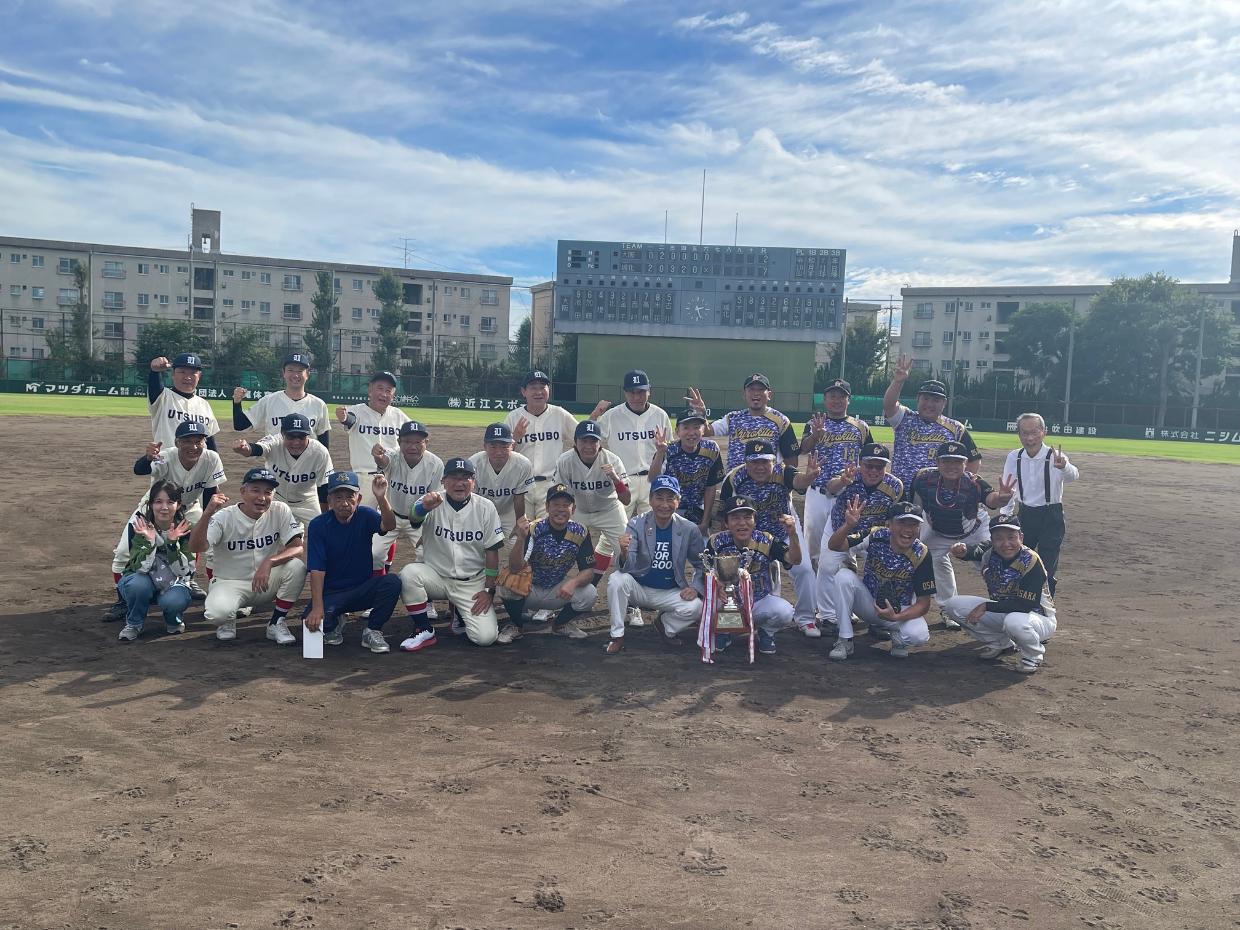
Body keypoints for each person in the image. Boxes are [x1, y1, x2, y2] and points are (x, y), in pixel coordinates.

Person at [397, 457, 506, 651]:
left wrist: (489, 590)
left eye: (465, 478)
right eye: (454, 478)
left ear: (473, 482)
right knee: (408, 575)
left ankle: (458, 610)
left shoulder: (485, 507)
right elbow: (413, 518)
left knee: (485, 638)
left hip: (471, 582)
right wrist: (423, 508)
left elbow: (492, 550)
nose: (460, 483)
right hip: (437, 577)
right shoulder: (432, 500)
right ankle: (423, 629)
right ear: (443, 481)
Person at [190, 468, 308, 644]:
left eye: (268, 492)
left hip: (264, 582)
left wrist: (270, 562)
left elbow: (297, 548)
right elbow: (196, 546)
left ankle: (276, 622)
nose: (262, 497)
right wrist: (207, 514)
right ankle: (228, 620)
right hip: (230, 583)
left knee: (297, 567)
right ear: (243, 491)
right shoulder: (224, 517)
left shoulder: (279, 510)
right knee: (217, 614)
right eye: (255, 490)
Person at [908, 441, 1016, 626]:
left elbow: (991, 499)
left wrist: (1001, 498)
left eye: (957, 462)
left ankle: (1008, 607)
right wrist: (914, 542)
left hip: (974, 531)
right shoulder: (922, 480)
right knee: (926, 557)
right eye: (946, 461)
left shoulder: (973, 482)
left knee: (994, 561)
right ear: (937, 462)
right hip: (938, 532)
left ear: (965, 464)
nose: (952, 466)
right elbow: (915, 511)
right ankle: (948, 609)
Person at [718, 439, 818, 635]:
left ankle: (806, 619)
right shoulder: (735, 478)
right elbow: (724, 515)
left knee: (805, 570)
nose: (760, 467)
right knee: (758, 577)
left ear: (773, 461)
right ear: (746, 462)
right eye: (754, 462)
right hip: (750, 536)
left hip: (784, 529)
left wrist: (809, 477)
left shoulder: (783, 472)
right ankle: (759, 624)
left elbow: (798, 481)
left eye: (765, 462)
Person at [302, 471, 401, 654]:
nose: (345, 503)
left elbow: (389, 525)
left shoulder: (366, 515)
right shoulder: (318, 525)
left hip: (362, 588)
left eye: (350, 496)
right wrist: (317, 607)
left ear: (359, 498)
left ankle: (373, 630)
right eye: (338, 497)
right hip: (333, 592)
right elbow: (317, 569)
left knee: (392, 582)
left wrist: (381, 498)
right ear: (329, 500)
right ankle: (335, 620)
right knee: (313, 620)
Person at [944, 514, 1057, 674]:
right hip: (1005, 611)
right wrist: (962, 550)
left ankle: (1032, 655)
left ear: (1021, 537)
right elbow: (975, 551)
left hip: (1038, 618)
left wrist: (986, 606)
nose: (1006, 544)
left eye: (1011, 537)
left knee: (1014, 621)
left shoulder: (1030, 560)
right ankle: (1001, 643)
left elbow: (1024, 605)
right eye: (999, 538)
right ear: (992, 540)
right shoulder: (991, 553)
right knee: (953, 605)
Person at [605, 476, 706, 655]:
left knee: (696, 607)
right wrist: (625, 552)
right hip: (639, 586)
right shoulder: (636, 523)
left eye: (670, 499)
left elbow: (702, 564)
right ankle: (617, 636)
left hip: (669, 590)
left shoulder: (689, 528)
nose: (664, 505)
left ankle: (665, 625)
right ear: (650, 500)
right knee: (616, 580)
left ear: (678, 501)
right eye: (659, 498)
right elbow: (627, 566)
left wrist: (696, 588)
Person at [826, 499, 936, 661]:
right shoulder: (875, 535)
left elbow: (923, 604)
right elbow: (834, 545)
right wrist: (848, 525)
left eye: (913, 524)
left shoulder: (921, 553)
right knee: (843, 576)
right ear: (889, 524)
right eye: (902, 523)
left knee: (919, 635)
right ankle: (845, 639)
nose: (908, 529)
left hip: (898, 611)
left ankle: (898, 638)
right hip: (868, 603)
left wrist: (896, 617)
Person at [132, 419, 226, 601]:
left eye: (198, 441)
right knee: (123, 552)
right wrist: (147, 458)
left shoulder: (211, 458)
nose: (193, 446)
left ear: (205, 442)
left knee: (202, 543)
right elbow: (139, 470)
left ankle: (189, 580)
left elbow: (209, 492)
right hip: (155, 507)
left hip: (189, 507)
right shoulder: (166, 456)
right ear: (177, 443)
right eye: (187, 441)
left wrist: (206, 519)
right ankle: (124, 599)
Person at [814, 442, 904, 631]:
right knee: (828, 566)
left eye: (879, 466)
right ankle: (828, 616)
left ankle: (880, 616)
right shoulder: (848, 475)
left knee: (886, 569)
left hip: (873, 535)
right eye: (869, 465)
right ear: (860, 464)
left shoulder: (895, 486)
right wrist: (842, 482)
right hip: (840, 529)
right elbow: (830, 488)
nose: (874, 470)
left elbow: (897, 516)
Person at [498, 483, 598, 643]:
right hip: (529, 588)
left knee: (589, 593)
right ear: (546, 507)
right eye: (556, 504)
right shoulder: (534, 529)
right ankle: (517, 626)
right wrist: (521, 539)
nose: (560, 509)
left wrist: (573, 582)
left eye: (566, 505)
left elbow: (588, 571)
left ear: (573, 509)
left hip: (557, 589)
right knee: (507, 583)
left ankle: (560, 625)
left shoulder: (580, 532)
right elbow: (515, 568)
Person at [552, 420, 631, 610]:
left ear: (600, 443)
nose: (588, 446)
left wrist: (615, 479)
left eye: (593, 441)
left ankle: (631, 602)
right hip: (578, 510)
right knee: (556, 550)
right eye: (583, 441)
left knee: (628, 550)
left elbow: (627, 499)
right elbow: (557, 494)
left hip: (610, 509)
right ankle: (549, 601)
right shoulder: (565, 461)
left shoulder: (612, 460)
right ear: (575, 442)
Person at [705, 498, 801, 656]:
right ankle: (724, 631)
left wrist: (792, 534)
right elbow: (706, 570)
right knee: (703, 605)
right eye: (735, 518)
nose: (742, 523)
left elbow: (794, 560)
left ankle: (766, 632)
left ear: (755, 521)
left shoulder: (766, 540)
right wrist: (718, 585)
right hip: (726, 600)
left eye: (747, 517)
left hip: (757, 600)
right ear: (726, 523)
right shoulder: (716, 542)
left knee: (784, 611)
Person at [1000, 413, 1078, 595]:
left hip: (1051, 515)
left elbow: (1073, 475)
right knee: (1018, 561)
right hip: (1025, 514)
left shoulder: (1055, 456)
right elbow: (1008, 486)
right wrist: (1006, 513)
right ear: (1019, 434)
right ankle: (1017, 599)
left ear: (1044, 432)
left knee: (1047, 565)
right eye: (1024, 433)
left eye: (1034, 432)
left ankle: (1045, 604)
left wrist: (1064, 466)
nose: (1029, 438)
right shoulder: (1015, 456)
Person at [799, 378, 872, 568]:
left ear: (849, 400)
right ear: (824, 399)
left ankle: (845, 582)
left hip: (847, 494)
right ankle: (815, 584)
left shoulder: (861, 426)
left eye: (842, 396)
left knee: (845, 547)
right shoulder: (814, 423)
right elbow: (804, 449)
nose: (837, 400)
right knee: (813, 547)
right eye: (832, 396)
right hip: (818, 493)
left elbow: (869, 458)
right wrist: (815, 435)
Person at [112, 480, 195, 642]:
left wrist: (172, 544)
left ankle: (173, 619)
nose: (164, 507)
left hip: (173, 581)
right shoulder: (140, 527)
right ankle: (134, 623)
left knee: (175, 601)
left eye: (170, 502)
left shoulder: (186, 529)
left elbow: (184, 571)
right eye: (158, 502)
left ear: (178, 505)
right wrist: (150, 542)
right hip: (143, 579)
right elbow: (140, 568)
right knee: (137, 585)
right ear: (150, 504)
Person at [882, 356, 980, 493]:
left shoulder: (956, 428)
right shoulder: (905, 418)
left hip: (936, 497)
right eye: (926, 398)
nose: (929, 404)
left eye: (935, 400)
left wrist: (962, 486)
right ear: (918, 399)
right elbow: (889, 405)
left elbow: (974, 459)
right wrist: (898, 381)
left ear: (944, 403)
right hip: (901, 493)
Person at [589, 369, 672, 518]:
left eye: (641, 392)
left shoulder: (660, 415)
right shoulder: (612, 415)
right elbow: (589, 439)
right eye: (631, 392)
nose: (636, 397)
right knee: (619, 526)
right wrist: (594, 416)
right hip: (623, 479)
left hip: (652, 479)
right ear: (625, 393)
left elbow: (668, 448)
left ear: (649, 391)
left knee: (651, 525)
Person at [231, 413, 331, 533]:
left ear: (308, 436)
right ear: (282, 434)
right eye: (291, 437)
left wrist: (325, 519)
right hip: (277, 498)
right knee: (264, 532)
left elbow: (324, 487)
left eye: (301, 437)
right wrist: (246, 448)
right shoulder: (275, 441)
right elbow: (258, 448)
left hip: (307, 501)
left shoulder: (320, 452)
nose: (296, 442)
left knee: (324, 531)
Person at [371, 420, 444, 575]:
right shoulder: (393, 454)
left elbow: (437, 501)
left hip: (421, 519)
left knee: (427, 556)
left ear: (426, 443)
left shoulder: (436, 464)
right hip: (391, 515)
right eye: (407, 441)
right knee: (374, 553)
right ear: (399, 442)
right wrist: (378, 457)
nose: (412, 446)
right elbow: (383, 461)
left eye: (418, 442)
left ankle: (420, 587)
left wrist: (430, 532)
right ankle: (379, 583)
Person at [504, 370, 578, 520]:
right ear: (523, 392)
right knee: (521, 530)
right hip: (522, 485)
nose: (538, 392)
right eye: (533, 387)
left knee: (547, 531)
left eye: (542, 387)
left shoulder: (559, 414)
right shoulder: (513, 417)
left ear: (548, 390)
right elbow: (500, 454)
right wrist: (515, 438)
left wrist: (594, 416)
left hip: (551, 484)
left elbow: (582, 437)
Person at [686, 373, 799, 471]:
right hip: (735, 483)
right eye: (751, 389)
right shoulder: (733, 418)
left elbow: (792, 460)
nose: (756, 393)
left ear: (769, 395)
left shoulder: (781, 420)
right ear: (744, 394)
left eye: (760, 389)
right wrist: (701, 414)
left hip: (768, 484)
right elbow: (707, 431)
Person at [335, 371, 411, 514]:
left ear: (393, 395)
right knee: (362, 519)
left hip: (392, 478)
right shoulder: (356, 411)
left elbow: (413, 436)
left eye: (388, 390)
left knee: (392, 521)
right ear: (370, 389)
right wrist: (344, 418)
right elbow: (349, 420)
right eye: (380, 388)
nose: (383, 394)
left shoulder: (399, 416)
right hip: (364, 479)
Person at [647, 408, 724, 537]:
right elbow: (652, 479)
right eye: (686, 428)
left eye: (696, 427)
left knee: (701, 547)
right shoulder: (668, 450)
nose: (691, 433)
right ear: (677, 431)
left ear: (703, 430)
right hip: (671, 509)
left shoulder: (711, 449)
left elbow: (710, 487)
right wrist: (660, 453)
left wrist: (705, 522)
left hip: (698, 510)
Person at [232, 352, 331, 446]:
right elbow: (240, 425)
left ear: (307, 374)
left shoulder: (319, 405)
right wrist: (236, 402)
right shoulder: (269, 401)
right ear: (283, 373)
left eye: (300, 371)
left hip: (308, 458)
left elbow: (324, 444)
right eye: (290, 370)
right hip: (275, 458)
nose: (295, 375)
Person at [469, 422, 534, 543]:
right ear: (485, 446)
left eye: (504, 446)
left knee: (520, 543)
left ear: (512, 445)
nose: (498, 452)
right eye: (493, 446)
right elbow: (472, 498)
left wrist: (519, 522)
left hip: (509, 512)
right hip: (482, 512)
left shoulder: (523, 464)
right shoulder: (474, 463)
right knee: (476, 546)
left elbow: (519, 497)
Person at [147, 352, 220, 451]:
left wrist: (216, 459)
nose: (187, 377)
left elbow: (209, 440)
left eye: (193, 373)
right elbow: (154, 386)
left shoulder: (204, 404)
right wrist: (155, 372)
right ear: (173, 374)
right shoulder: (163, 397)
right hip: (167, 459)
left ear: (199, 376)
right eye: (182, 372)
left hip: (199, 460)